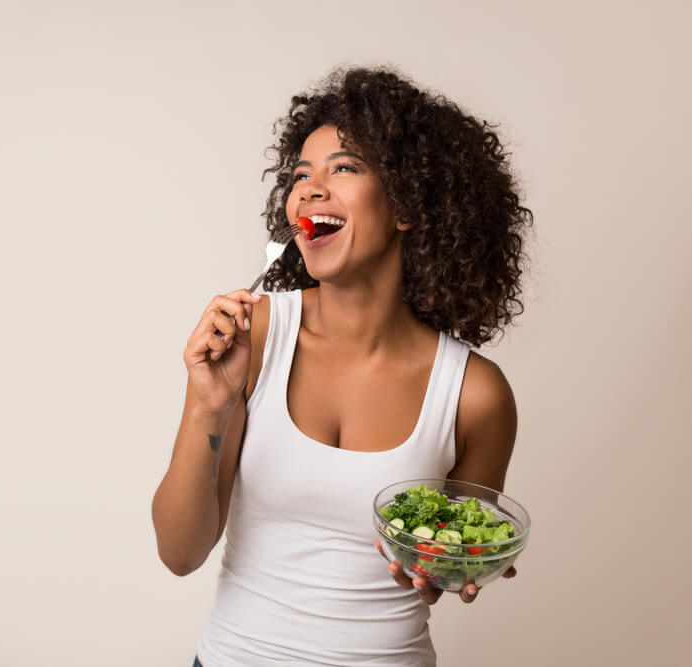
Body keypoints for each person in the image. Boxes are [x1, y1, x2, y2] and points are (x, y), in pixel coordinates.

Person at [151, 65, 532, 667]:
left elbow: (438, 565)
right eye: (301, 175)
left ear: (407, 205)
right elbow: (179, 552)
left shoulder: (474, 394)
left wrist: (454, 566)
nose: (309, 189)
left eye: (344, 168)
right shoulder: (251, 337)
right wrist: (209, 401)